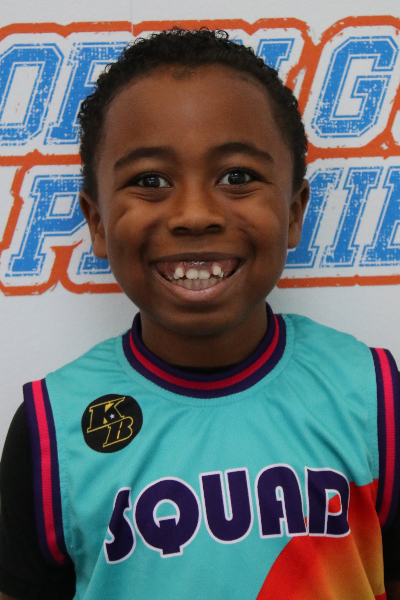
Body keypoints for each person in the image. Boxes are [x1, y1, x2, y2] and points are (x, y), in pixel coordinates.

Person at [0, 28, 399, 600]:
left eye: (237, 177)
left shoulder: (373, 396)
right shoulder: (51, 432)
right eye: (150, 180)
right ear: (97, 222)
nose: (193, 214)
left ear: (293, 212)